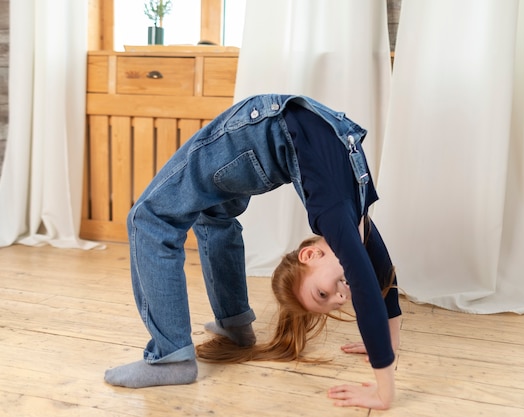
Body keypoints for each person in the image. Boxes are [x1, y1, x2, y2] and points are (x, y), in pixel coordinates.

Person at [103, 94, 402, 410]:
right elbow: (375, 280)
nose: (341, 297)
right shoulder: (344, 219)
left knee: (162, 217)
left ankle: (174, 357)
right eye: (325, 294)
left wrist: (388, 354)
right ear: (310, 255)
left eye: (324, 297)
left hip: (265, 135)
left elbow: (378, 275)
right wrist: (385, 379)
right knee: (186, 215)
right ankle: (232, 325)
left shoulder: (343, 220)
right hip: (265, 132)